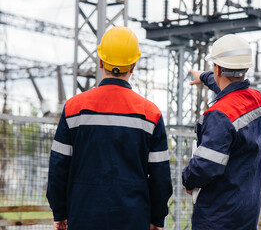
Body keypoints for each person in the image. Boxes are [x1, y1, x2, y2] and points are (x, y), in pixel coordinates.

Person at [47, 26, 173, 230]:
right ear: (133, 65)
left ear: (100, 61)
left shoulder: (74, 108)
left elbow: (59, 167)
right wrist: (157, 218)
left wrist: (60, 212)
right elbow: (160, 177)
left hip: (83, 216)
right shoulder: (151, 114)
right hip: (133, 219)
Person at [182, 34, 261, 229]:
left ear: (217, 68)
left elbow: (205, 166)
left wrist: (188, 180)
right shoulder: (256, 100)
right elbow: (230, 86)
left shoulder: (220, 116)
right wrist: (203, 77)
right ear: (246, 68)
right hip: (247, 210)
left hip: (219, 215)